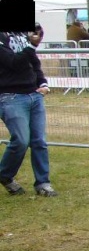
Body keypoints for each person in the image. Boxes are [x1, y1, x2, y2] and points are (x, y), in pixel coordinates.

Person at [0, 22, 57, 196]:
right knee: (21, 140)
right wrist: (31, 45)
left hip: (34, 95)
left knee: (39, 141)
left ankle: (43, 183)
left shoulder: (23, 35)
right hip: (11, 96)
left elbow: (34, 62)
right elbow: (13, 62)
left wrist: (43, 83)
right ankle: (5, 174)